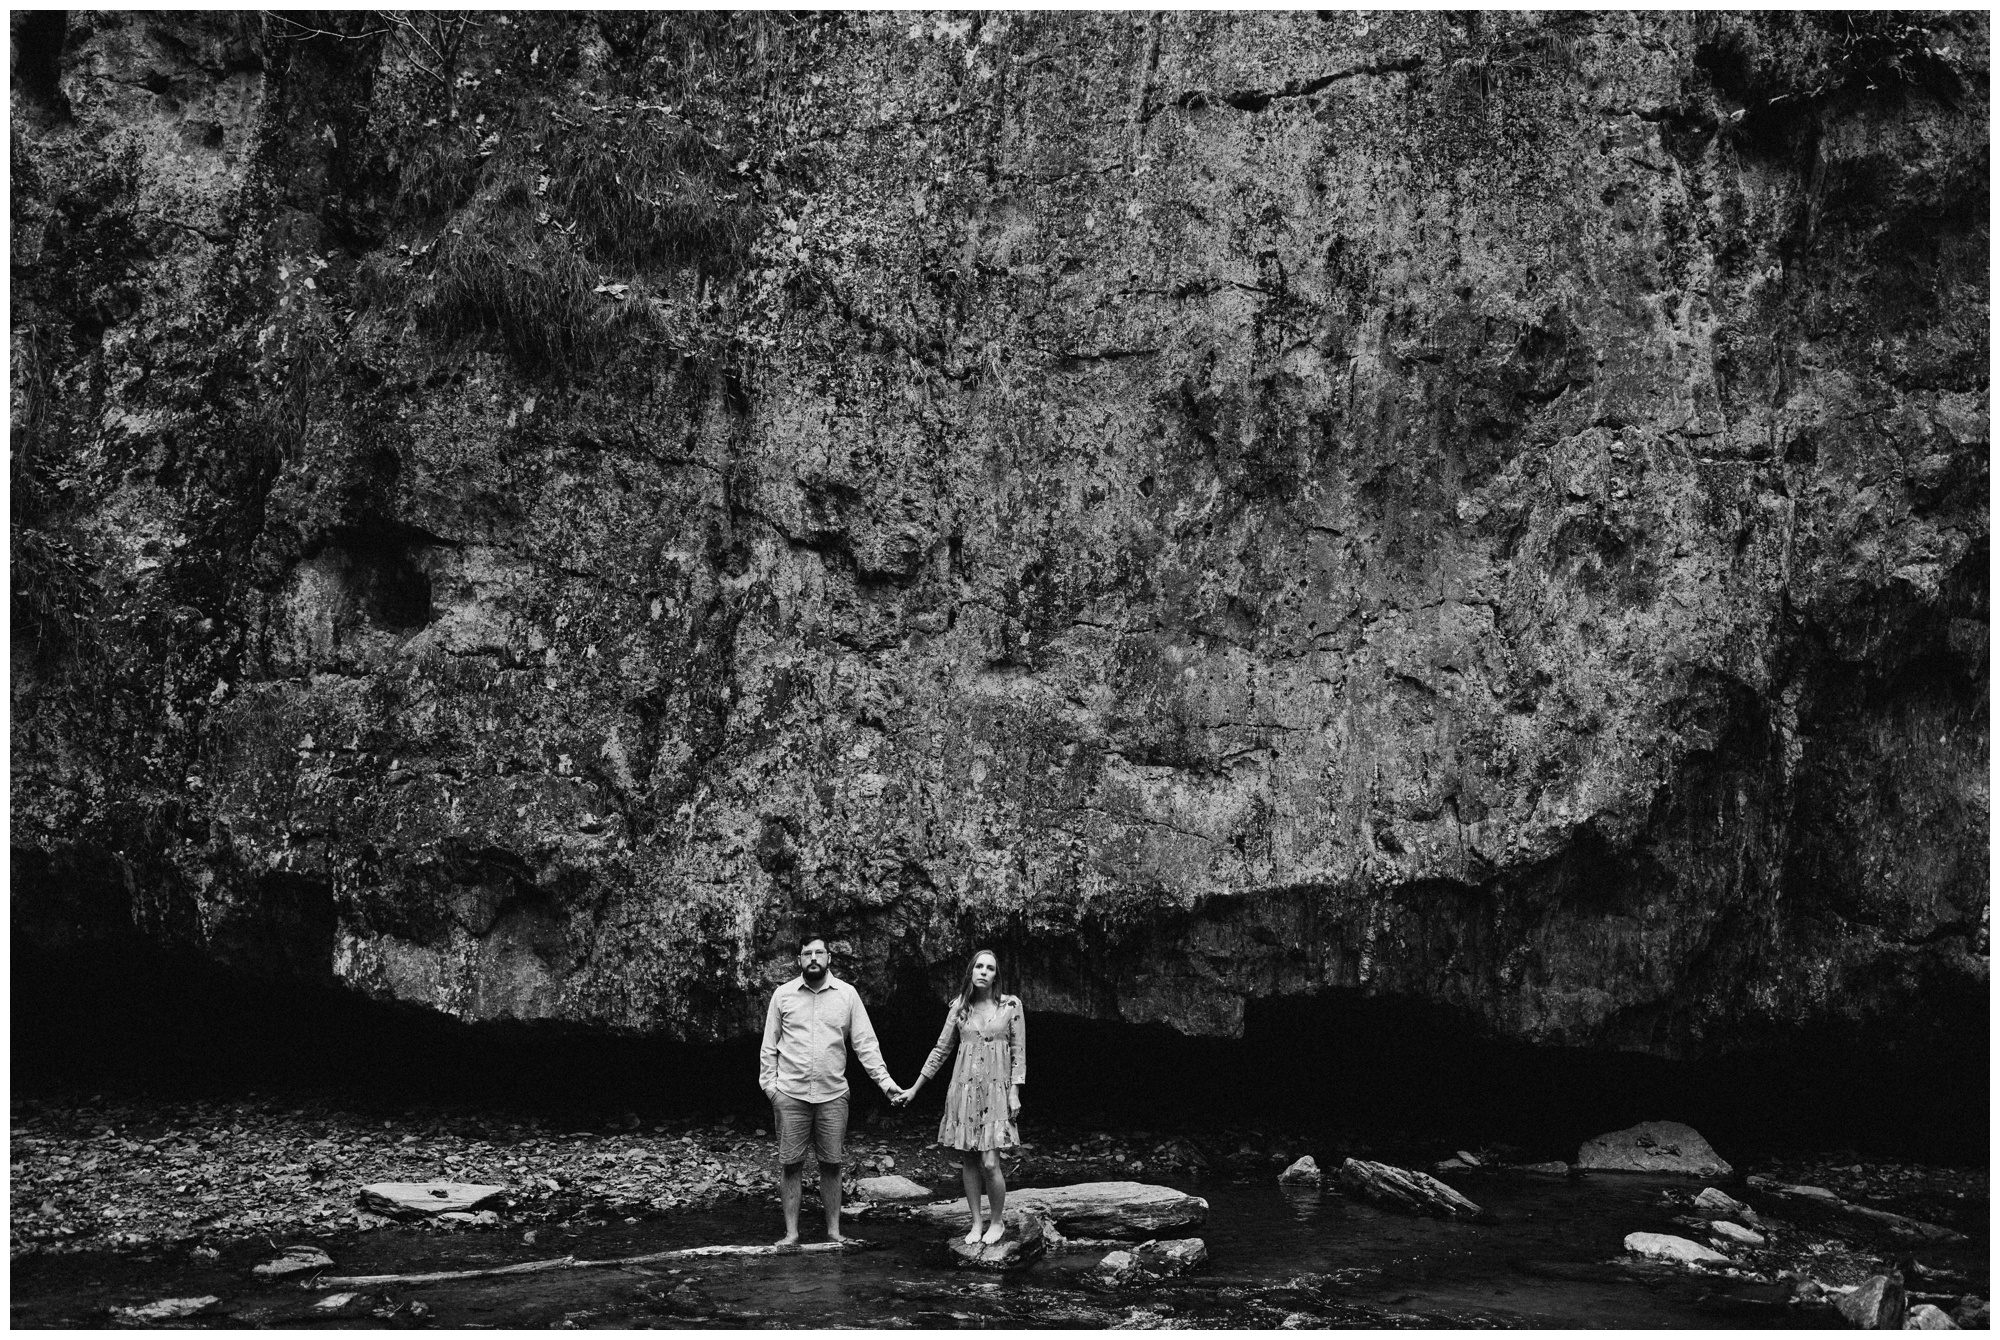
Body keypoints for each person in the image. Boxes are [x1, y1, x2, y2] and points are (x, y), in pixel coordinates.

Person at [758, 933, 906, 1245]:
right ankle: (791, 1233)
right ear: (799, 959)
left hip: (833, 1095)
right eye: (807, 953)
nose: (813, 958)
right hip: (790, 1094)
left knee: (832, 1164)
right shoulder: (782, 995)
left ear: (829, 958)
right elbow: (768, 1047)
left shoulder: (847, 995)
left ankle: (834, 1231)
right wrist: (771, 1089)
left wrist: (887, 1084)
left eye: (819, 953)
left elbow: (866, 1045)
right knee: (790, 1164)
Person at [893, 948, 1025, 1245]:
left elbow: (1019, 1052)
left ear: (996, 976)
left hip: (997, 1091)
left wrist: (1015, 1092)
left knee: (991, 1162)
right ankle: (976, 1223)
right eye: (978, 966)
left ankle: (997, 1221)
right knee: (968, 1160)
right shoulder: (959, 1008)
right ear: (971, 971)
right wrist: (914, 1088)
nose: (983, 972)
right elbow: (940, 1050)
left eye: (990, 968)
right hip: (963, 1089)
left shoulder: (1011, 1006)